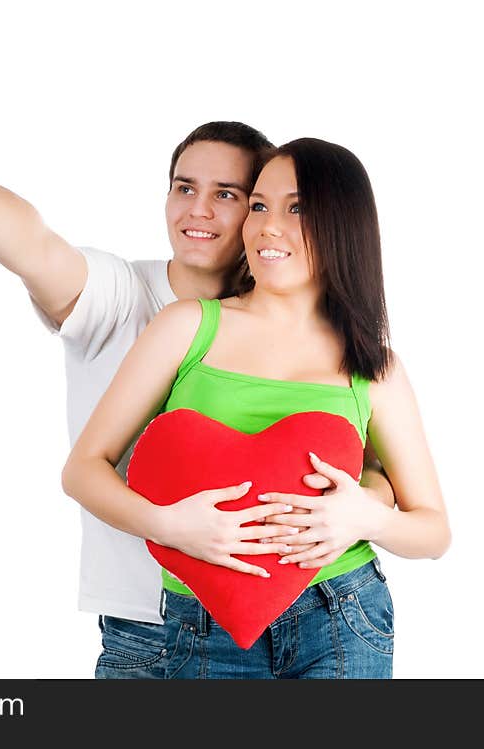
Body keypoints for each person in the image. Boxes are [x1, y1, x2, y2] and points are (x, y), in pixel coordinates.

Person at [0, 100, 398, 678]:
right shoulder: (122, 295)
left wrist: (371, 502)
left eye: (229, 195)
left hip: (300, 608)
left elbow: (363, 455)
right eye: (184, 187)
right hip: (145, 617)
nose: (197, 210)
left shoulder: (313, 334)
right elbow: (35, 246)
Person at [62, 138, 451, 678]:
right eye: (260, 205)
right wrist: (167, 525)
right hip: (203, 618)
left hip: (340, 612)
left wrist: (367, 516)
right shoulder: (188, 326)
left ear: (343, 225)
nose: (268, 225)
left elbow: (433, 531)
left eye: (297, 208)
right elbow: (83, 469)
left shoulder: (373, 365)